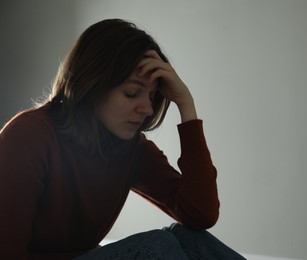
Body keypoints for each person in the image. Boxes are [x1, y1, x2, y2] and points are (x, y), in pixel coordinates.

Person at [0, 19, 245, 259]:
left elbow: (200, 214)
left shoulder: (130, 149)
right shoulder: (28, 136)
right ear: (92, 84)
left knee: (189, 239)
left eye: (151, 96)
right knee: (155, 245)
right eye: (132, 93)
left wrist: (186, 105)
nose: (148, 109)